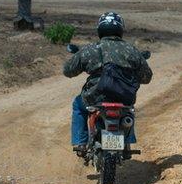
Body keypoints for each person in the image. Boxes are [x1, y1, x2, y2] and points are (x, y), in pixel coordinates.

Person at [63, 11, 152, 154]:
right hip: (123, 97)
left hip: (94, 96)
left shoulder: (90, 49)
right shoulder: (132, 50)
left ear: (100, 29)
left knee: (78, 105)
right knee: (128, 110)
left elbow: (68, 71)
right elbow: (147, 78)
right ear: (120, 30)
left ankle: (80, 143)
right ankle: (128, 141)